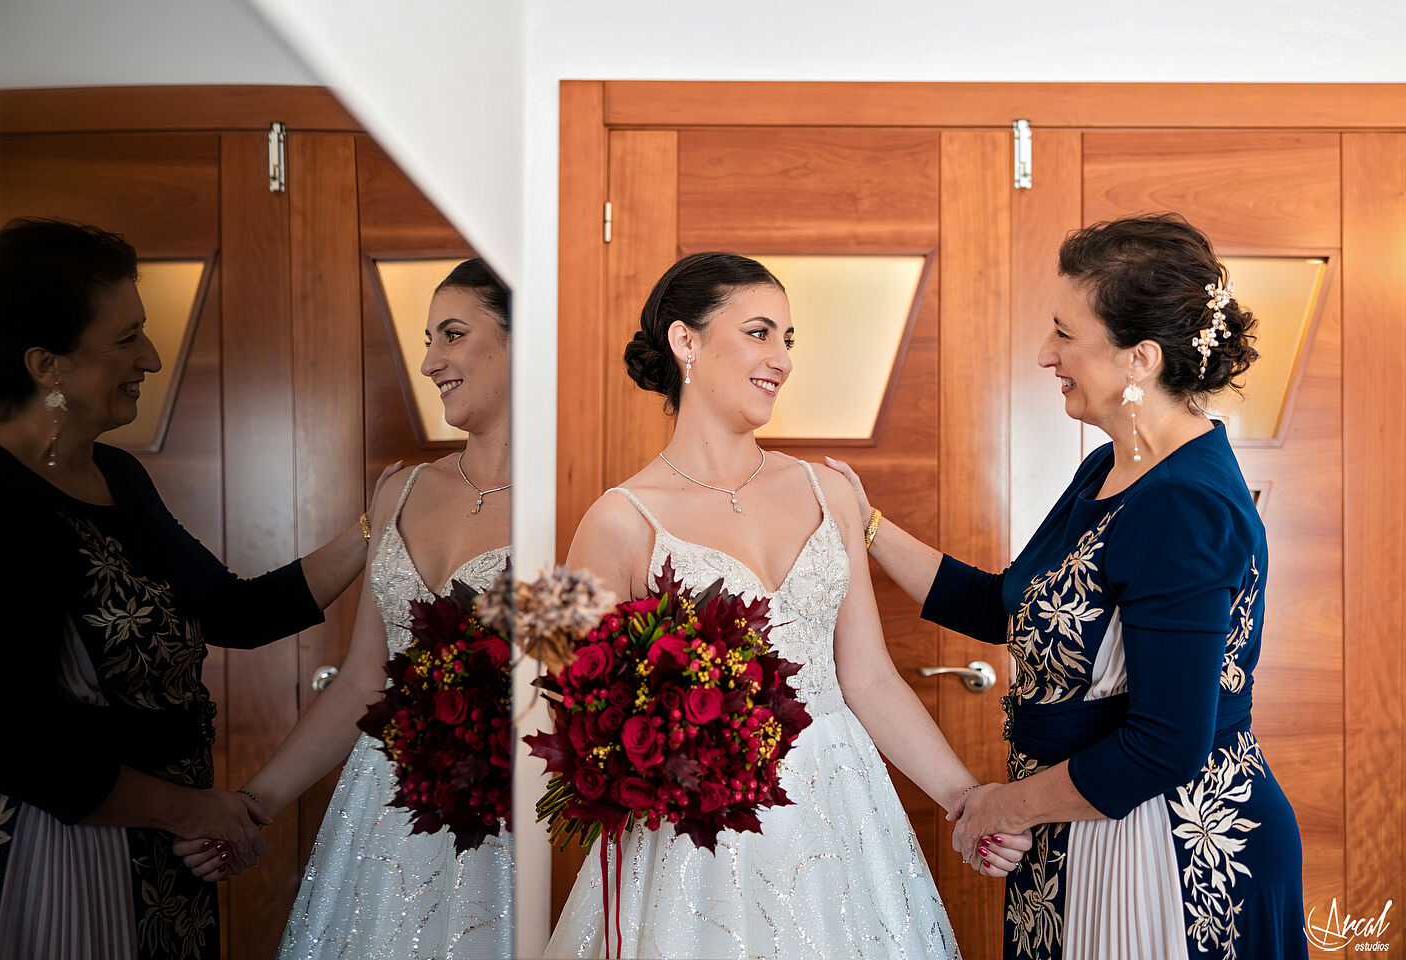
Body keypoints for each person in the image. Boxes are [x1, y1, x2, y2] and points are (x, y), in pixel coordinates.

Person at [828, 214, 1308, 960]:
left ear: (1140, 358)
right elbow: (1005, 606)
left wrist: (997, 807)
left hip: (1164, 850)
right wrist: (867, 524)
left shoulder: (1184, 502)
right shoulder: (1114, 466)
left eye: (1065, 334)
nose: (1046, 354)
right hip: (1081, 827)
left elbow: (1165, 745)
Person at [544, 252, 1028, 960]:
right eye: (761, 333)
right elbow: (572, 711)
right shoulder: (617, 521)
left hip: (842, 811)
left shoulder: (828, 492)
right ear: (687, 342)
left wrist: (966, 799)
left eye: (789, 340)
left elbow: (866, 678)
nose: (782, 359)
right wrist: (670, 752)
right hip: (700, 841)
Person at [0, 218, 394, 959]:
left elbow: (234, 610)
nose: (152, 357)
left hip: (168, 853)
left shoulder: (119, 476)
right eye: (127, 337)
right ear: (48, 365)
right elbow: (15, 742)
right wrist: (195, 810)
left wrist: (377, 524)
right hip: (56, 856)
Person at [176, 258, 514, 959]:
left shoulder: (577, 505)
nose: (430, 361)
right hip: (385, 816)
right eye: (428, 338)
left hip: (507, 827)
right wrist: (250, 806)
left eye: (452, 334)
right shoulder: (401, 492)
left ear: (522, 340)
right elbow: (365, 683)